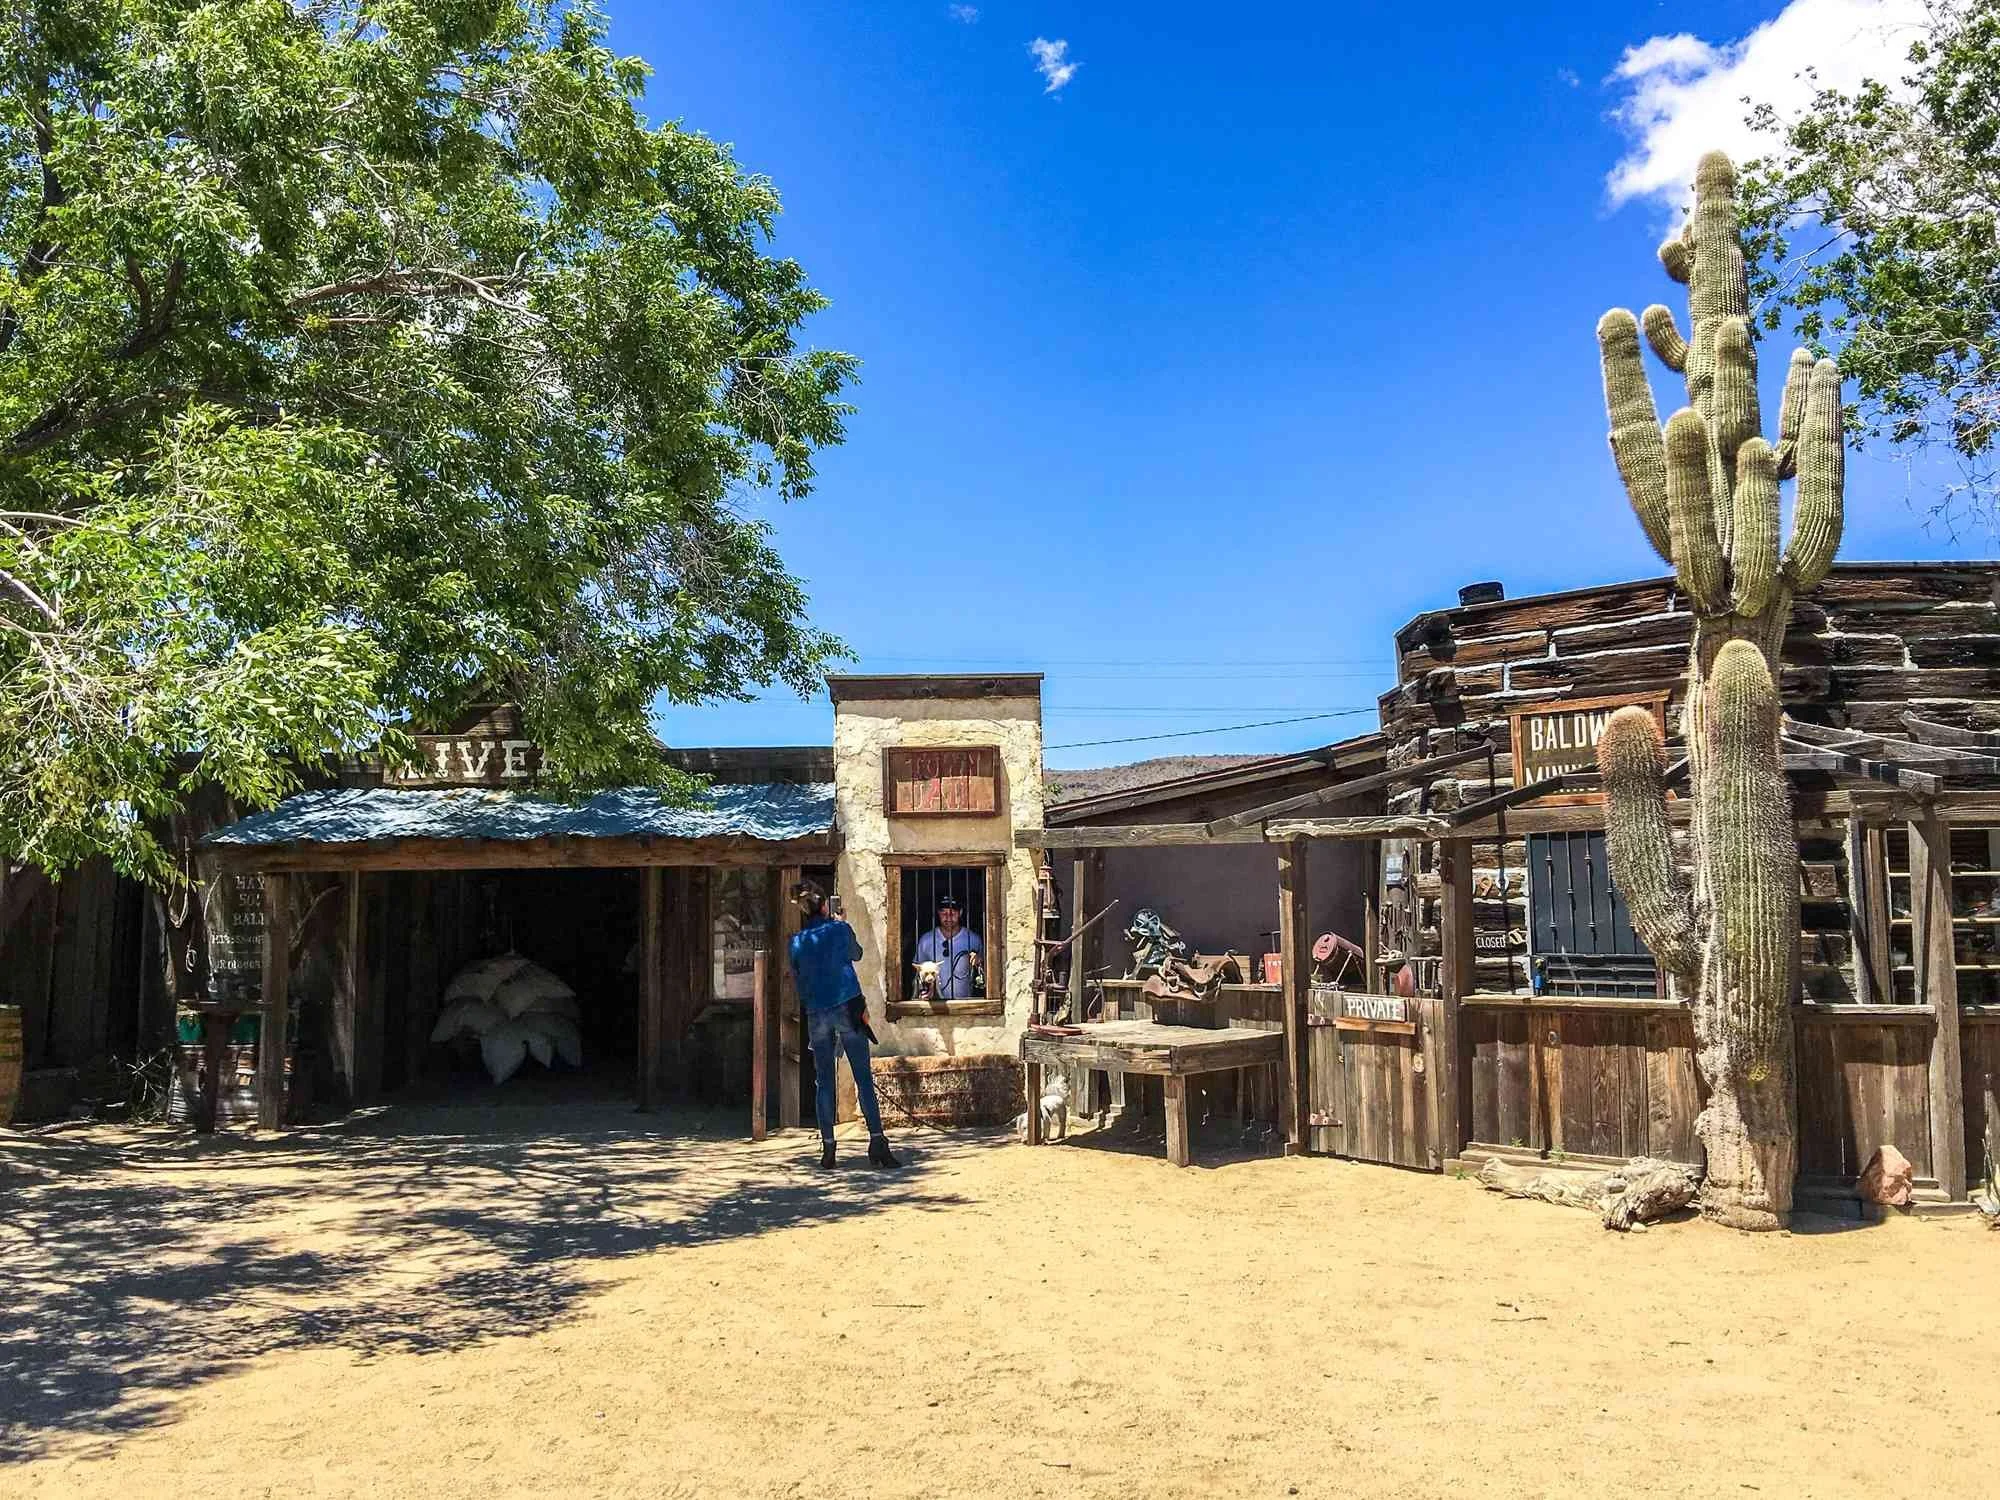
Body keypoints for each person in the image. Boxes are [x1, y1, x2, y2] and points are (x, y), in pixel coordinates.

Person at [786, 881, 900, 1171]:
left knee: (823, 1081)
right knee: (862, 1077)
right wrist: (843, 923)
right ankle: (877, 1142)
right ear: (825, 905)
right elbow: (857, 953)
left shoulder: (797, 942)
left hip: (816, 1012)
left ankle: (828, 1148)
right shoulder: (839, 930)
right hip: (847, 1006)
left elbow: (799, 975)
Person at [913, 894, 984, 998]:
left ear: (960, 913)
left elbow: (985, 971)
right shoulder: (926, 940)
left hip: (966, 1003)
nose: (948, 917)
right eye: (943, 913)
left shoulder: (973, 939)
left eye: (953, 913)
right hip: (933, 1005)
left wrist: (979, 961)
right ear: (938, 913)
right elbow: (917, 972)